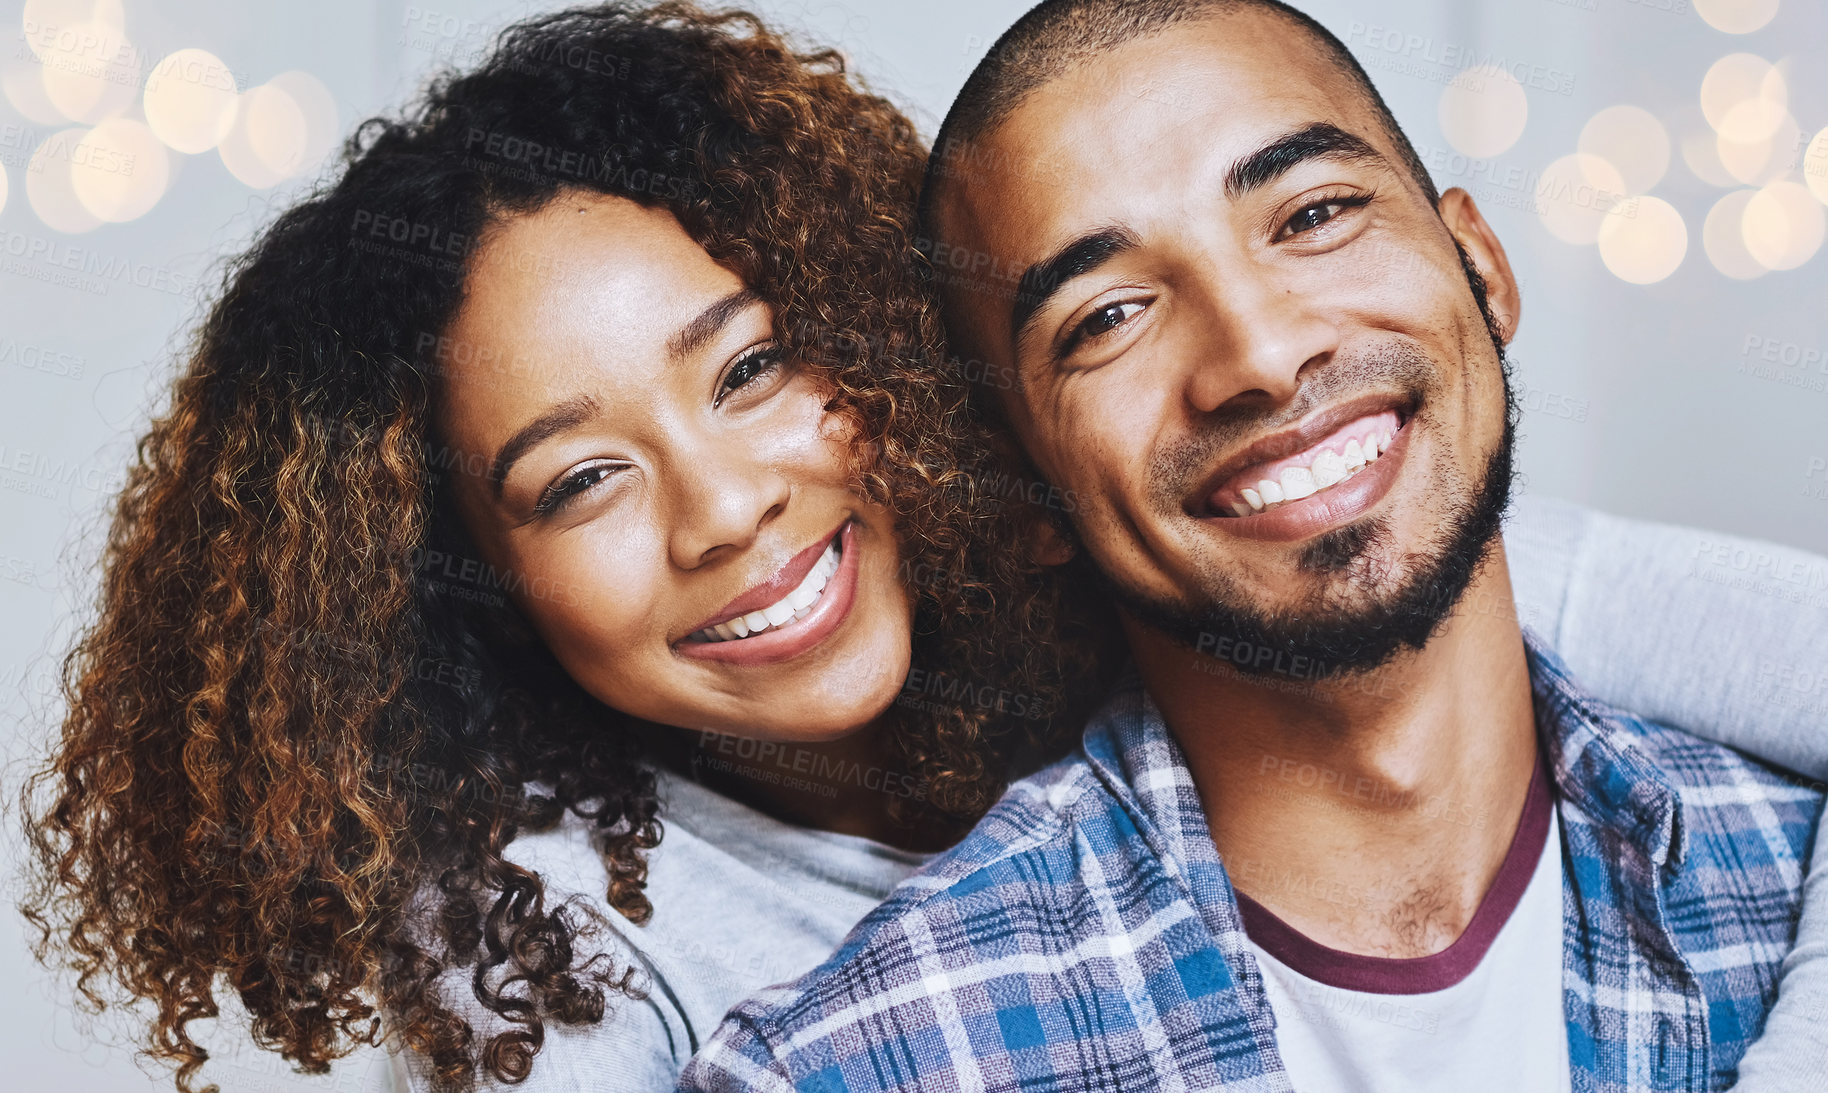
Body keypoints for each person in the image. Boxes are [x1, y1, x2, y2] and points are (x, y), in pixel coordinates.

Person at [17, 5, 1822, 1093]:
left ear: (911, 378)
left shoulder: (1210, 558)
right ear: (468, 587)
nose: (725, 508)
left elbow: (1507, 593)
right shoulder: (561, 941)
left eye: (754, 369)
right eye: (577, 482)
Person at [679, 2, 1828, 1091]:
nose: (1262, 354)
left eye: (1314, 214)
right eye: (1105, 318)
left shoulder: (1787, 871)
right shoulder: (865, 1063)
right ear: (1016, 486)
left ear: (1480, 268)